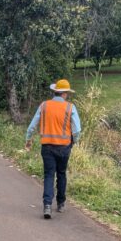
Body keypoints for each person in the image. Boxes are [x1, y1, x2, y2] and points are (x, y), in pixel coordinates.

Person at [24, 79, 81, 219]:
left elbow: (32, 125)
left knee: (49, 175)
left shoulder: (44, 105)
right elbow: (77, 130)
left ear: (55, 91)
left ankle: (47, 205)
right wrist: (75, 142)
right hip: (64, 148)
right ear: (65, 93)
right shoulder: (70, 107)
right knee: (61, 173)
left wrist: (28, 139)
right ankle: (61, 204)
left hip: (47, 147)